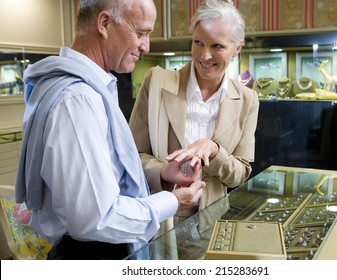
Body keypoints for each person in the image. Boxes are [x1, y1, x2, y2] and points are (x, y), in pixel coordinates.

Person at [15, 0, 204, 260]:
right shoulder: (77, 99)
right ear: (104, 23)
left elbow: (102, 175)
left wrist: (160, 175)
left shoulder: (83, 88)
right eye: (140, 33)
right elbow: (95, 216)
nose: (145, 46)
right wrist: (174, 202)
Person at [129, 0, 259, 222]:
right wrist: (163, 173)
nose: (204, 56)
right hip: (160, 218)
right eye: (198, 42)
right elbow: (131, 156)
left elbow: (240, 173)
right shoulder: (157, 83)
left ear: (237, 49)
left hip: (213, 220)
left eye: (217, 46)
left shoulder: (247, 99)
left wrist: (215, 150)